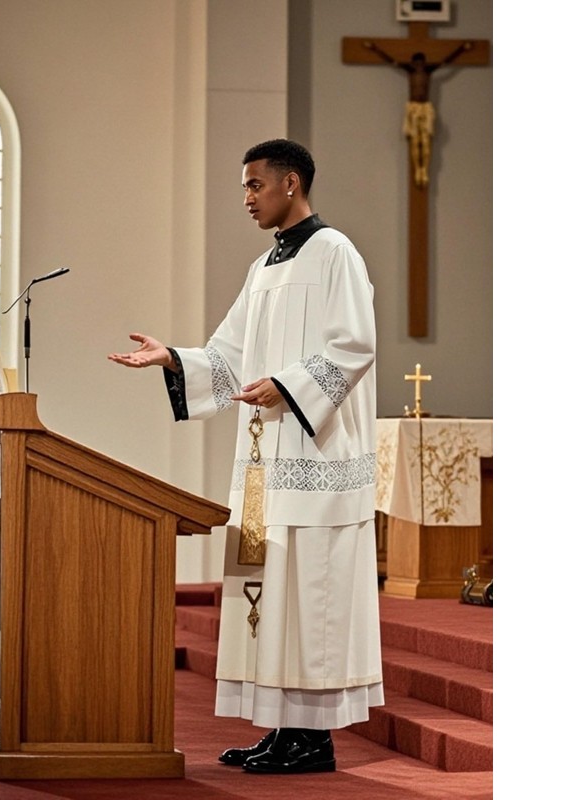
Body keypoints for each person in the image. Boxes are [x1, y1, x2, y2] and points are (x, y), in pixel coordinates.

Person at [108, 139, 383, 775]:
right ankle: (283, 730)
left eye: (255, 185)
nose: (247, 199)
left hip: (315, 461)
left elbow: (355, 343)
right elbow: (229, 353)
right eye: (244, 187)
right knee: (271, 595)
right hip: (264, 466)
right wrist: (174, 358)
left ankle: (314, 738)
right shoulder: (264, 268)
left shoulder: (335, 252)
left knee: (309, 595)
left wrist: (287, 386)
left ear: (291, 183)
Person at [364, 40, 473, 187]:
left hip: (425, 108)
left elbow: (446, 61)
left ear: (424, 62)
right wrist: (375, 49)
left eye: (421, 62)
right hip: (413, 108)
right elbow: (391, 61)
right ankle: (417, 169)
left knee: (426, 141)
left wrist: (462, 49)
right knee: (415, 141)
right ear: (413, 63)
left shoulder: (429, 71)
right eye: (417, 63)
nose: (419, 65)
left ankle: (424, 169)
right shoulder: (409, 70)